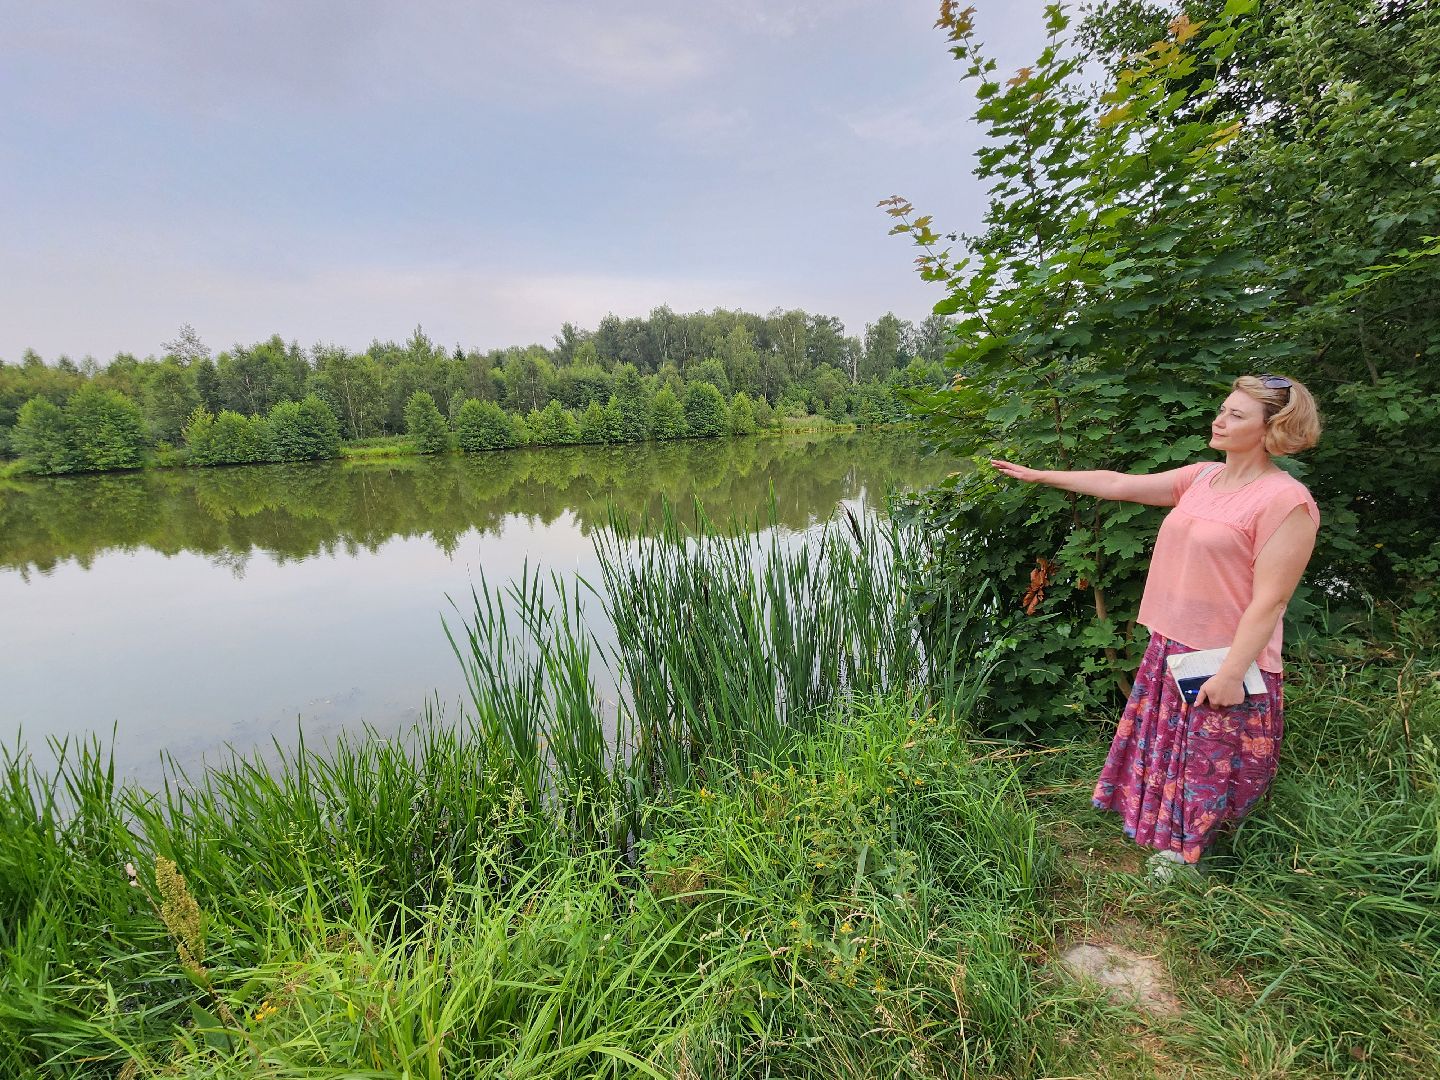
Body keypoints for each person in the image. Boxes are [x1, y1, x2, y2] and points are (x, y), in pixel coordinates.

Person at [991, 374, 1323, 874]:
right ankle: (1171, 835)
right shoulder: (1203, 479)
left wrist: (1232, 672)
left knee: (1210, 758)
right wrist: (1041, 476)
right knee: (1176, 751)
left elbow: (1271, 601)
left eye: (1236, 415)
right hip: (1174, 641)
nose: (1220, 419)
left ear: (1273, 428)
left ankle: (1202, 857)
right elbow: (1119, 484)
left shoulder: (1285, 501)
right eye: (1222, 408)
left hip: (1226, 654)